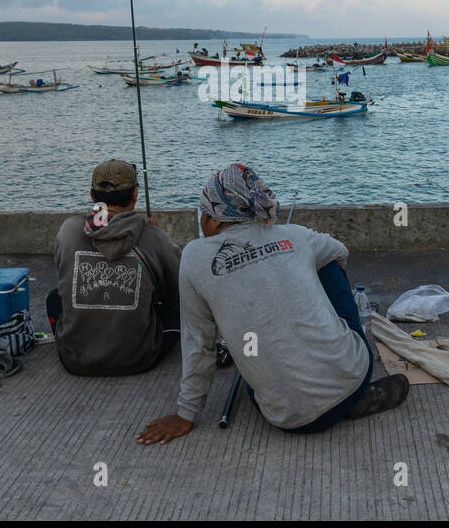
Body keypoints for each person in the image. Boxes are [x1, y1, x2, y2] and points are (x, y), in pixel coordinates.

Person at [137, 164, 408, 444]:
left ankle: (313, 392)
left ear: (216, 220)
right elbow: (340, 251)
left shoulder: (194, 258)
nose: (201, 220)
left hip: (289, 419)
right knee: (327, 264)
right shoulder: (294, 235)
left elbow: (198, 343)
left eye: (202, 214)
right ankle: (347, 384)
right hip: (354, 379)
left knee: (255, 384)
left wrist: (186, 414)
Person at [47, 160, 181, 376]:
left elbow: (64, 279)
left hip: (75, 360)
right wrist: (156, 239)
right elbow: (175, 292)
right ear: (135, 193)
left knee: (54, 298)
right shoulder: (153, 237)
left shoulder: (68, 230)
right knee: (176, 309)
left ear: (92, 195)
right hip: (139, 359)